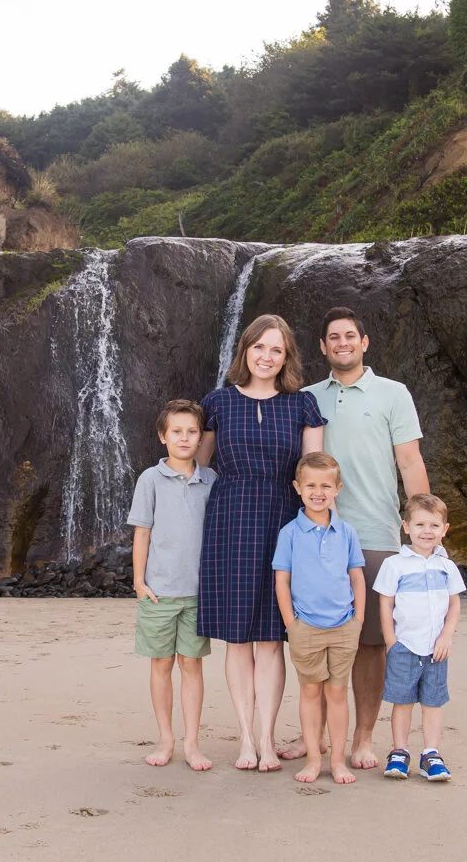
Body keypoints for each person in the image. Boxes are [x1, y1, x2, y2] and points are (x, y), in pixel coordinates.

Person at [286, 306, 429, 769]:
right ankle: (321, 736)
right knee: (317, 635)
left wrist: (422, 528)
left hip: (374, 533)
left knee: (368, 643)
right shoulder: (307, 397)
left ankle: (363, 738)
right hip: (315, 538)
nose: (342, 343)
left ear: (364, 343)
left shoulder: (394, 394)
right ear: (323, 348)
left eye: (351, 335)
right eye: (333, 337)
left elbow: (409, 462)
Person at [197, 314, 326, 772]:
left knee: (272, 638)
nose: (267, 357)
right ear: (245, 351)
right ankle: (246, 741)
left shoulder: (303, 405)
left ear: (286, 356)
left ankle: (269, 741)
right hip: (229, 520)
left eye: (277, 349)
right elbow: (198, 466)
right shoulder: (217, 403)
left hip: (283, 520)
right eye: (259, 347)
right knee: (238, 639)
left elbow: (314, 472)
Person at [128, 399, 216, 771]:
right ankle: (165, 738)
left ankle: (192, 742)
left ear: (201, 437)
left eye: (192, 432)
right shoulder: (150, 479)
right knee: (161, 664)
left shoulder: (210, 480)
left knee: (192, 666)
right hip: (158, 592)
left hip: (197, 594)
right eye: (176, 431)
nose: (184, 437)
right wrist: (138, 582)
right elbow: (142, 533)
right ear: (163, 436)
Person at [272, 452, 365, 784]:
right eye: (311, 485)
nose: (318, 491)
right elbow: (282, 580)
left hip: (343, 626)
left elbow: (356, 577)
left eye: (326, 485)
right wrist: (291, 624)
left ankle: (337, 761)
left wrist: (358, 619)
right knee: (310, 693)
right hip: (305, 628)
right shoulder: (290, 534)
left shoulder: (347, 533)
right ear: (298, 488)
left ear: (337, 489)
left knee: (338, 694)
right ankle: (313, 759)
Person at [374, 493, 465, 782]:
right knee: (401, 702)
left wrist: (447, 636)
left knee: (432, 701)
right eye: (420, 525)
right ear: (406, 527)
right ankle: (399, 752)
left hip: (436, 648)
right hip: (405, 645)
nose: (427, 531)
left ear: (444, 530)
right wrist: (391, 642)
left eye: (434, 526)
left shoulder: (446, 566)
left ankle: (431, 754)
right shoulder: (395, 565)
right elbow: (385, 604)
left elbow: (454, 605)